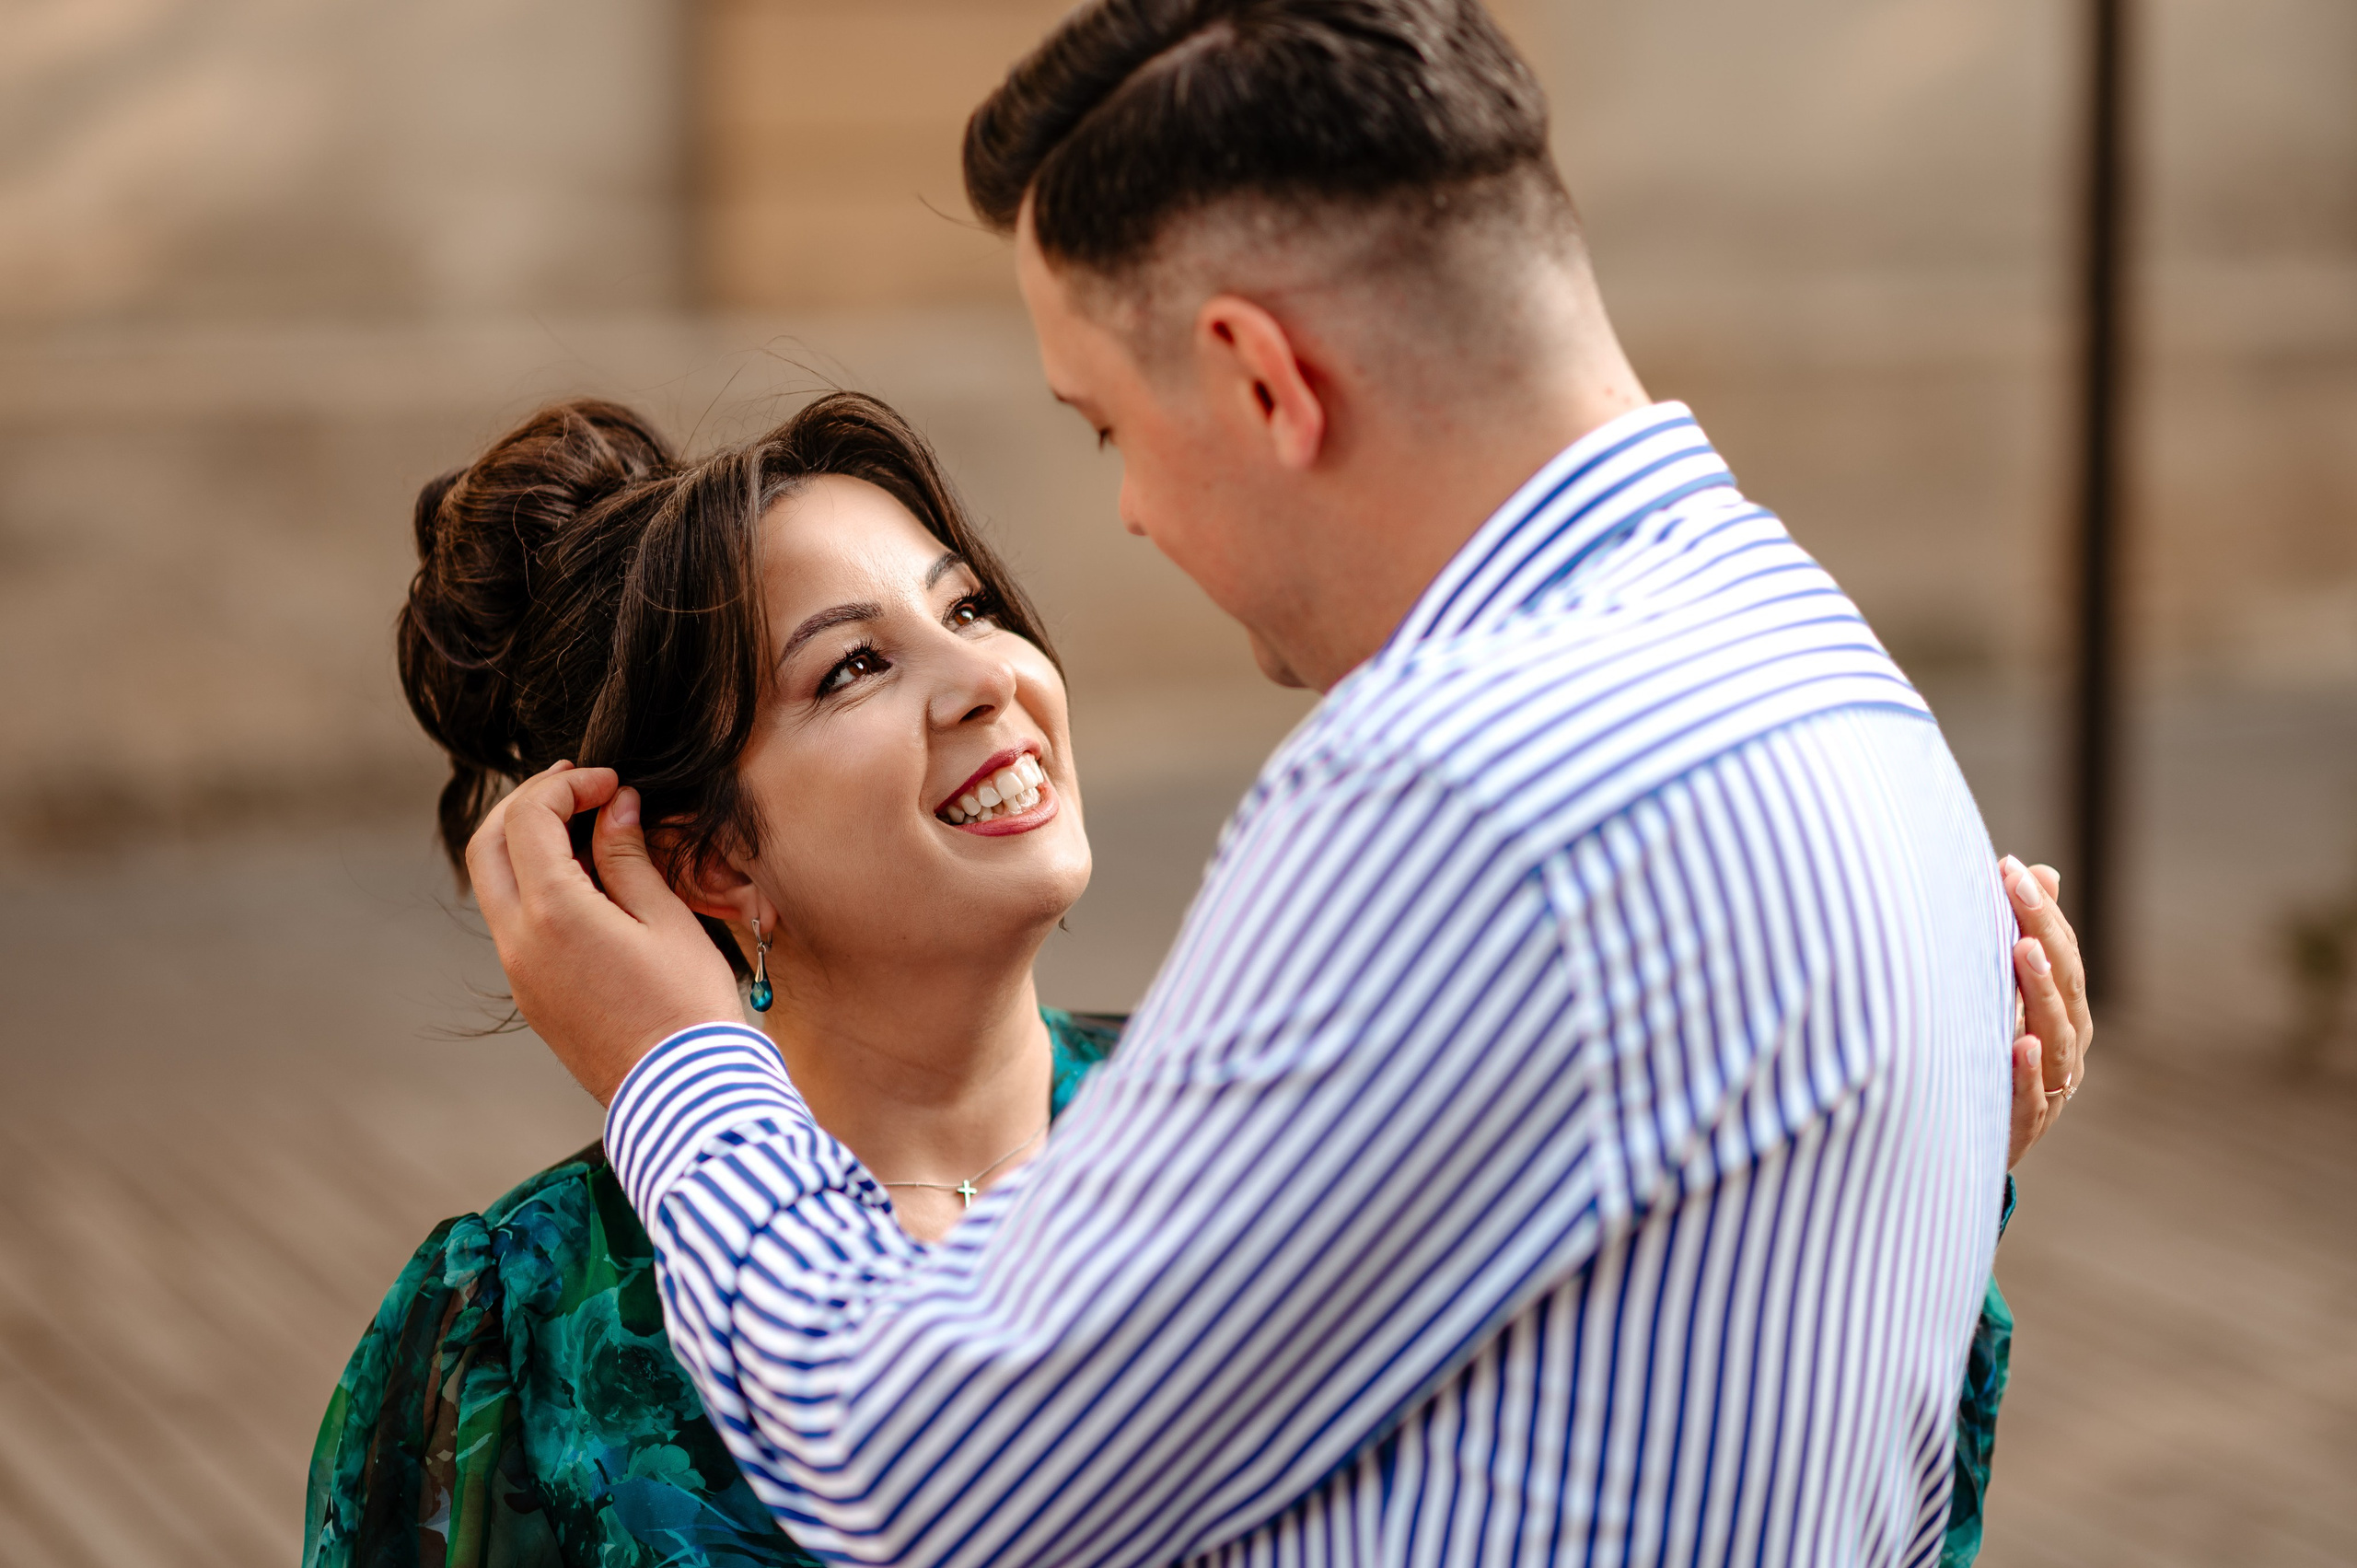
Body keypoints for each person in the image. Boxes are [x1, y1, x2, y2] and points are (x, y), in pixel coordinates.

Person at [452, 3, 2097, 1564]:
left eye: (1110, 429)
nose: (1134, 519)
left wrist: (671, 1062)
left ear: (1261, 379)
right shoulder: (1826, 677)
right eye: (854, 663)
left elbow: (924, 1476)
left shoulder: (1455, 790)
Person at [304, 391, 2076, 1568]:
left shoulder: (1275, 1125)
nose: (985, 677)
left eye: (968, 605)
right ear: (709, 862)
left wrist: (1913, 1202)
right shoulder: (514, 1323)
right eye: (851, 670)